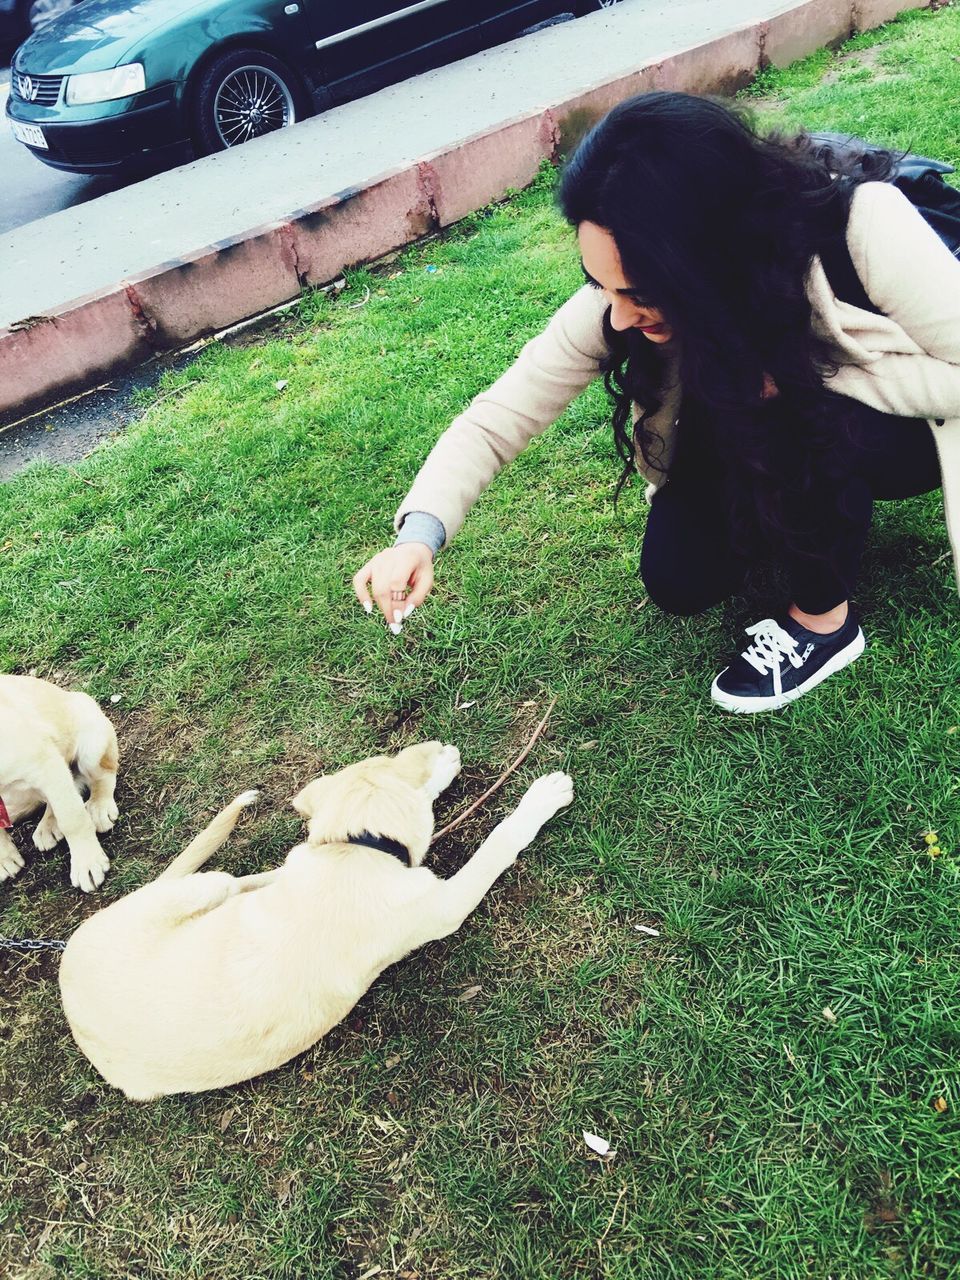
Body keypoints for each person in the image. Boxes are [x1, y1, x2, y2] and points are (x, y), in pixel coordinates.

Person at [353, 91, 960, 713]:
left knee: (791, 421)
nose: (616, 312)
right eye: (600, 284)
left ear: (704, 252)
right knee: (679, 579)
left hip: (906, 430)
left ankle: (824, 623)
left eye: (638, 290)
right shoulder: (622, 301)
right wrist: (419, 536)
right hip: (781, 420)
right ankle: (807, 506)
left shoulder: (861, 224)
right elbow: (500, 414)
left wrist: (813, 377)